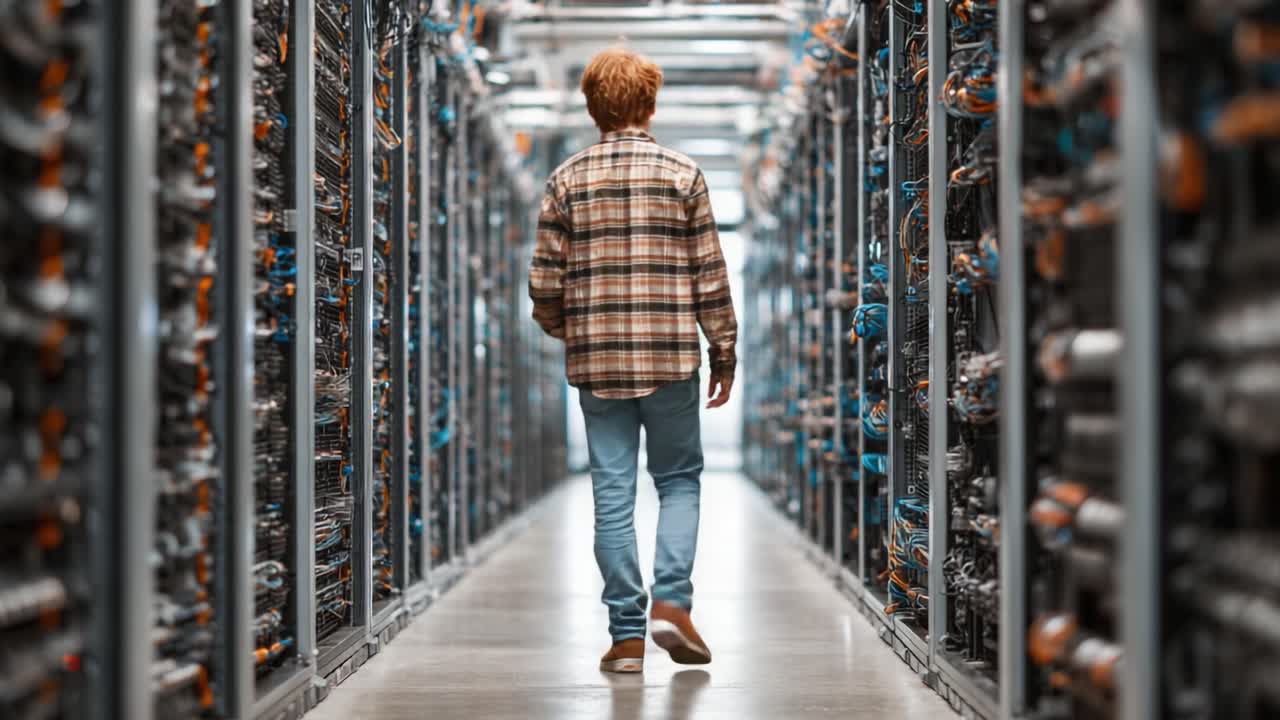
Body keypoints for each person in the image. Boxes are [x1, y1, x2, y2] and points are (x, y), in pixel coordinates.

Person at [527, 46, 738, 674]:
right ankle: (671, 604)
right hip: (672, 359)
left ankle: (625, 639)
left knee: (611, 493)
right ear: (650, 102)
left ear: (592, 107)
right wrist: (723, 348)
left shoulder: (565, 179)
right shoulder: (683, 174)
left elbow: (545, 281)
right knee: (677, 481)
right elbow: (710, 274)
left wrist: (572, 330)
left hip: (598, 366)